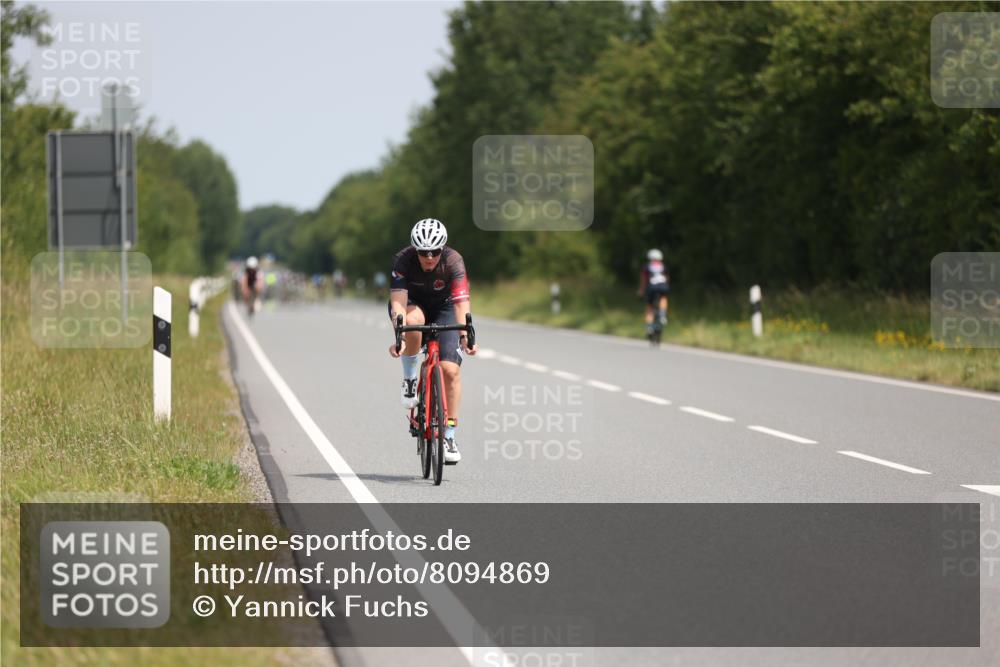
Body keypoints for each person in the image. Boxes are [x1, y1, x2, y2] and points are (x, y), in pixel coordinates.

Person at [388, 218, 477, 463]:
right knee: (413, 321)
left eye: (435, 252)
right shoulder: (403, 260)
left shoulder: (454, 261)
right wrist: (400, 334)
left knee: (450, 371)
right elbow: (398, 302)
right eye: (424, 252)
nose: (429, 257)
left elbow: (461, 302)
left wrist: (465, 335)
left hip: (445, 307)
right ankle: (409, 378)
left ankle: (449, 435)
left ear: (442, 249)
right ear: (415, 250)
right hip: (413, 304)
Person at [638, 248, 669, 336]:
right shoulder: (663, 266)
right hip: (663, 286)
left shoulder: (646, 266)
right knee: (663, 298)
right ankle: (662, 315)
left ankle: (649, 327)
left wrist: (641, 291)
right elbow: (666, 278)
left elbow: (644, 280)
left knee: (650, 307)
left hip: (651, 287)